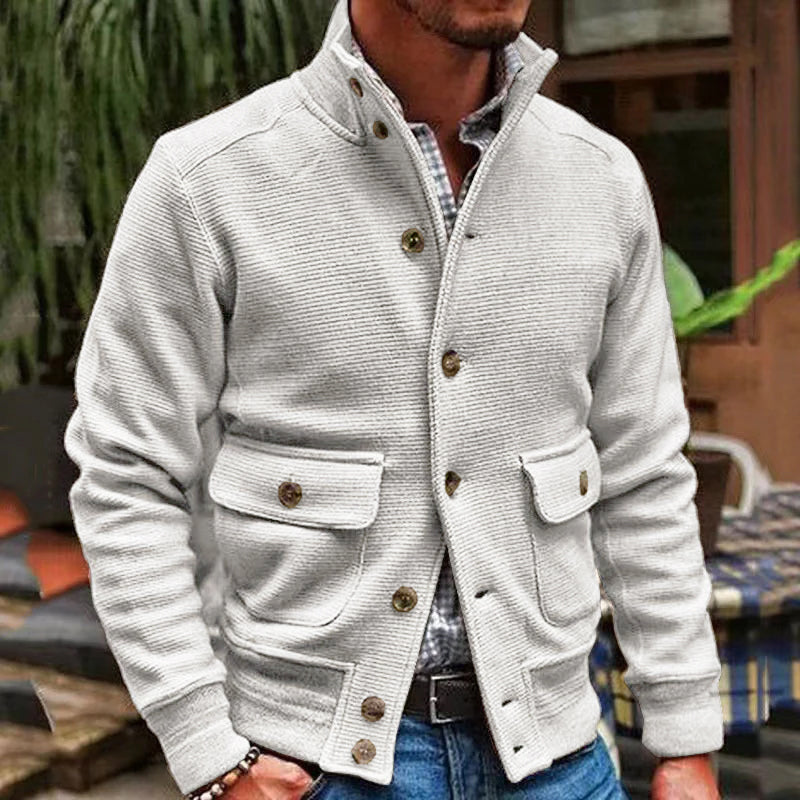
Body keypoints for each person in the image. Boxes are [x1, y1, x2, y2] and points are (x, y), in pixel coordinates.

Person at [63, 0, 725, 798]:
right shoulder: (208, 180)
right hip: (315, 768)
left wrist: (685, 739)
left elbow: (643, 475)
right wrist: (207, 749)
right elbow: (126, 475)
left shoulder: (602, 181)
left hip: (560, 760)